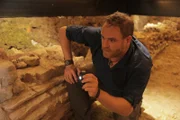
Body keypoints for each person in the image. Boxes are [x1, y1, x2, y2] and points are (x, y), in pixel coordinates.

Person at [59, 11, 152, 120]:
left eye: (112, 40)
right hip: (102, 73)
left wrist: (97, 93)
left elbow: (126, 108)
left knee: (124, 115)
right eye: (103, 38)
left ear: (127, 40)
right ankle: (82, 117)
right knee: (74, 76)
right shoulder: (97, 35)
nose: (105, 45)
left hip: (122, 93)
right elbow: (63, 31)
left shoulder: (141, 62)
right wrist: (69, 64)